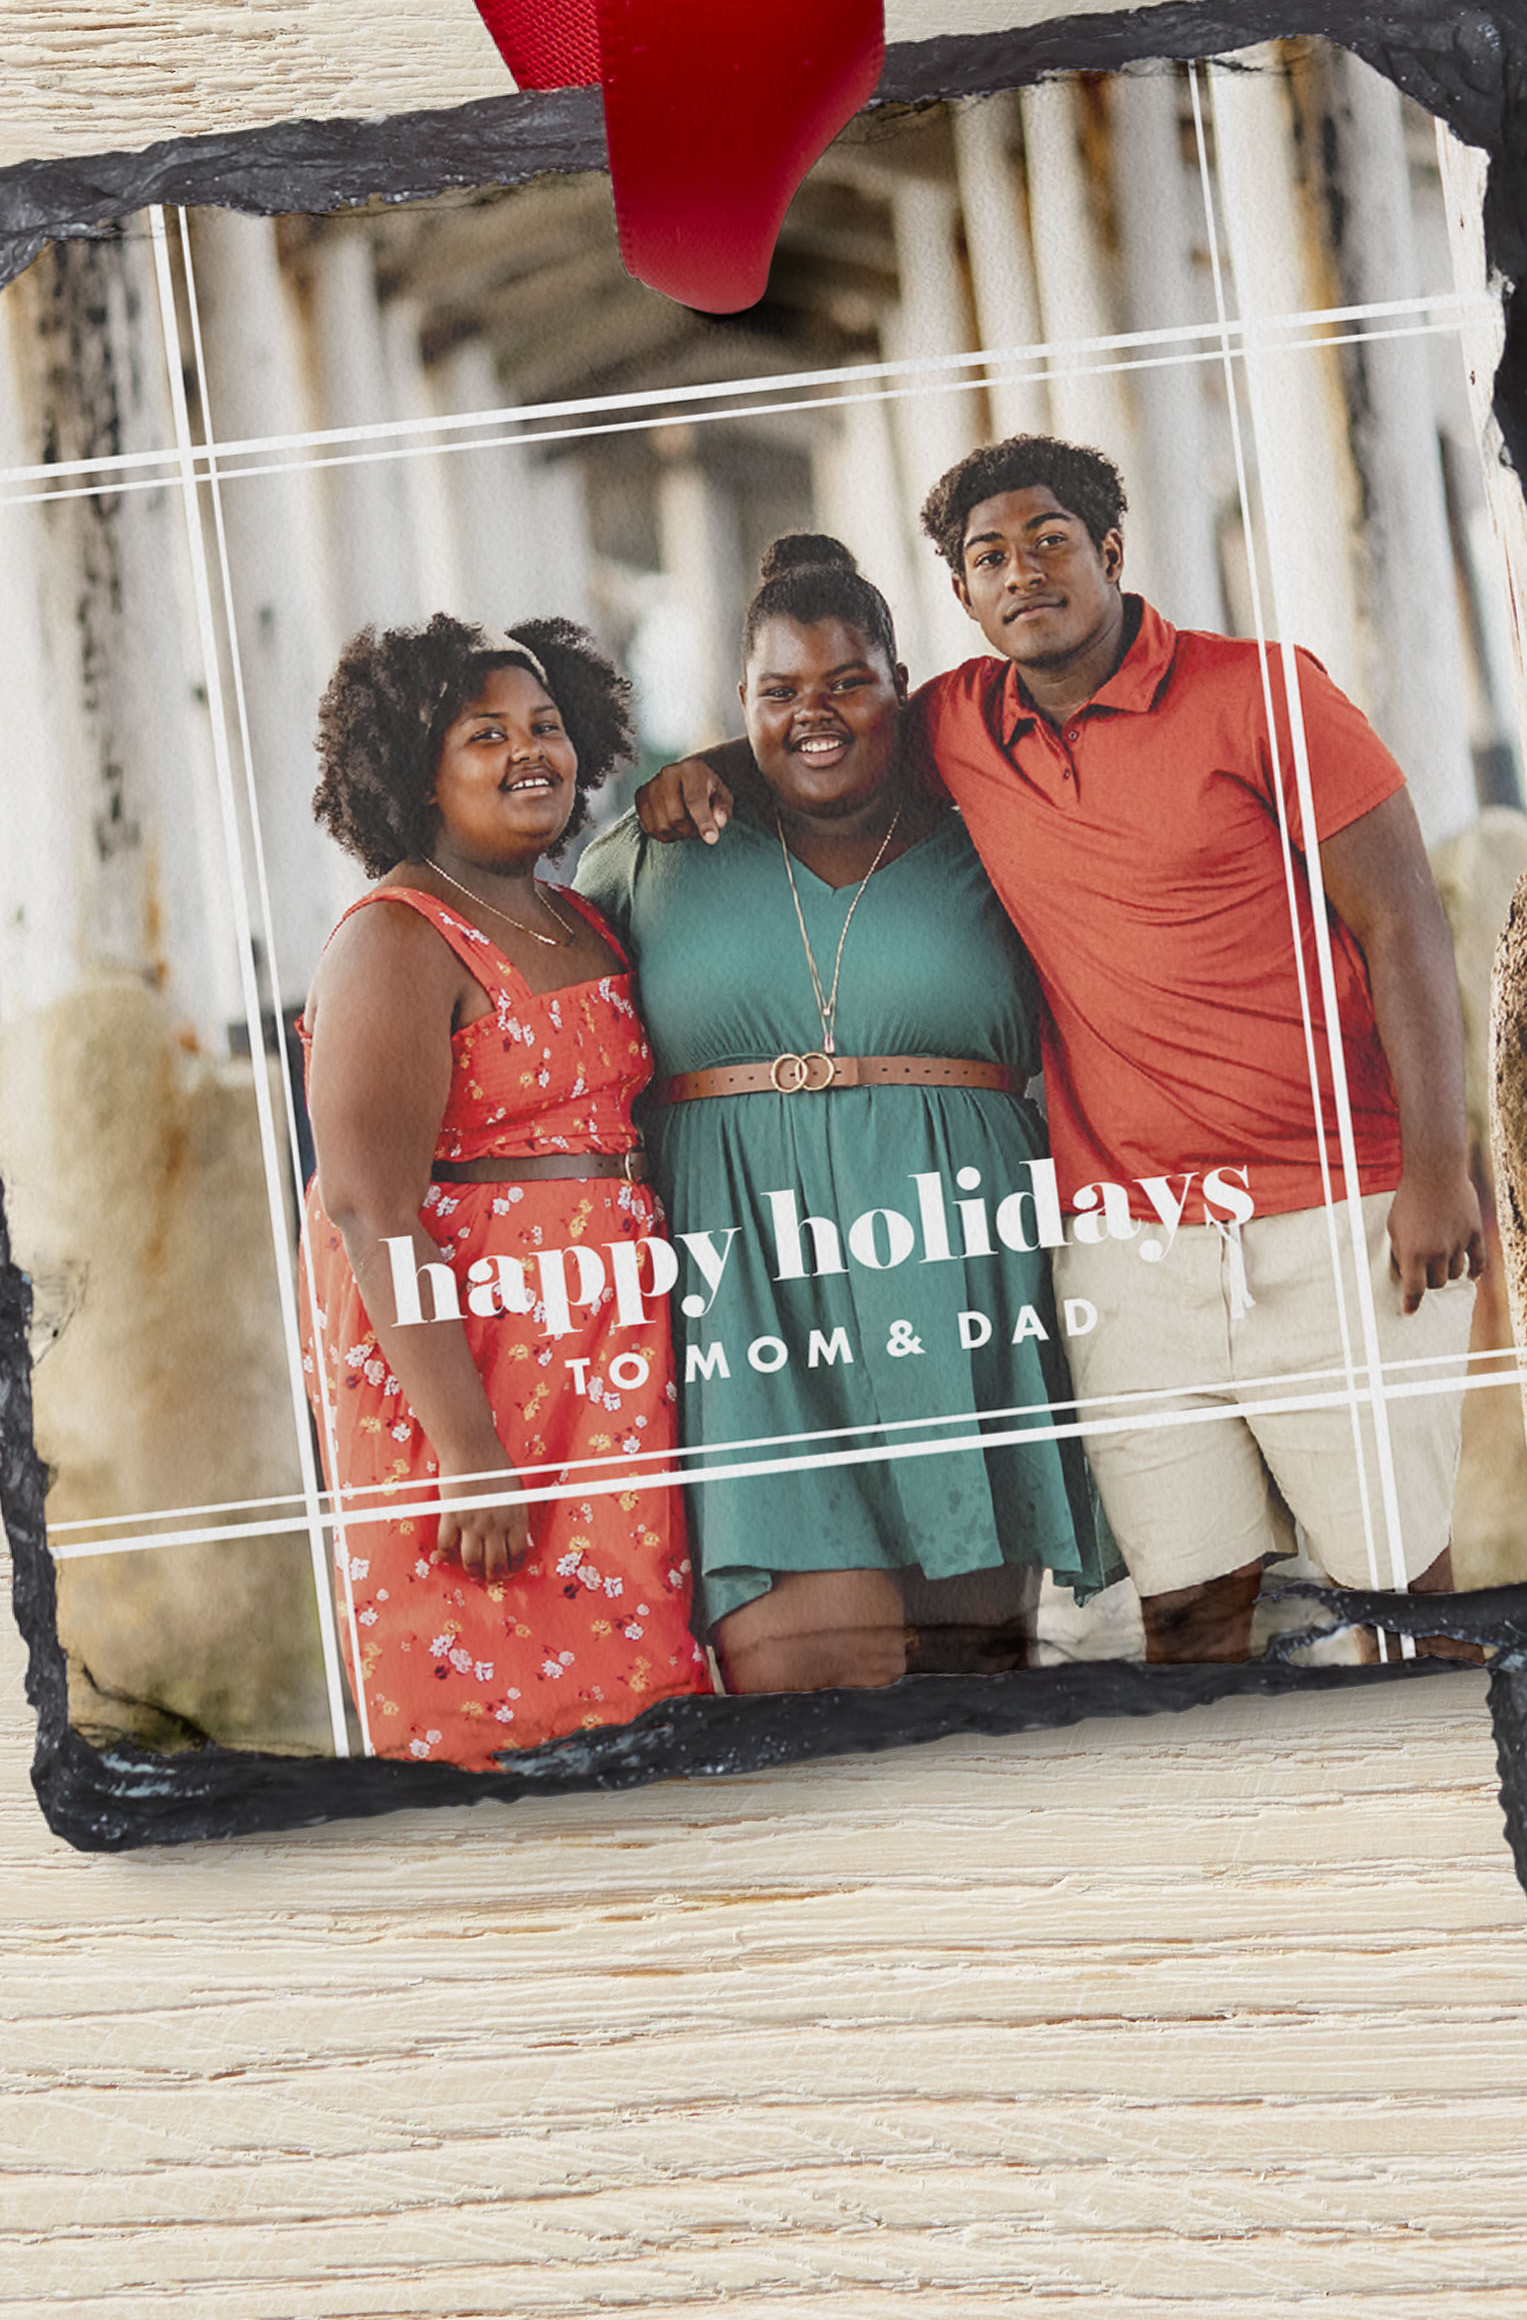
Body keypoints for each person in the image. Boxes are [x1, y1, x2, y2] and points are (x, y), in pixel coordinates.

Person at [897, 431, 1487, 1660]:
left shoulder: (1262, 689)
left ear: (1110, 550)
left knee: (1403, 1601)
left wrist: (1436, 1164)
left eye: (1049, 538)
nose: (1022, 571)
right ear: (961, 594)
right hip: (1129, 1247)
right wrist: (701, 787)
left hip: (1345, 1215)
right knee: (1186, 1611)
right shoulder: (951, 728)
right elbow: (817, 753)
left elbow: (1403, 921)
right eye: (987, 556)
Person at [583, 530, 1115, 1692]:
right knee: (817, 1702)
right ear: (737, 704)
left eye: (846, 683)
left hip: (959, 1286)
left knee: (982, 1703)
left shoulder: (991, 831)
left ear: (902, 687)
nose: (812, 714)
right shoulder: (658, 851)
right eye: (777, 693)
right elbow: (546, 1048)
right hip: (749, 1319)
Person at [280, 614, 709, 1767]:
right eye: (485, 734)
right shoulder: (394, 936)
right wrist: (467, 1447)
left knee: (642, 1702)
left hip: (606, 1360)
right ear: (413, 768)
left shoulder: (573, 914)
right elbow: (371, 1205)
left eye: (547, 726)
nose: (532, 752)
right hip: (475, 1375)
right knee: (497, 1719)